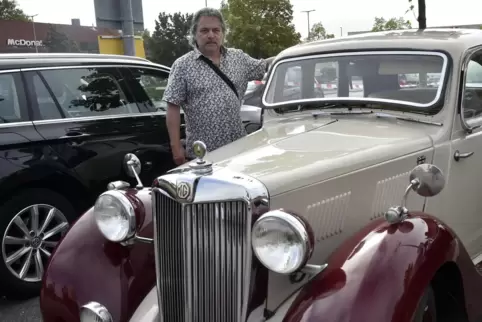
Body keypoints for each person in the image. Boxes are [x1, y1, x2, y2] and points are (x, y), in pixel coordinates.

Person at [162, 7, 267, 165]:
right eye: (204, 30)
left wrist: (286, 57)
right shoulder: (182, 66)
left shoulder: (238, 58)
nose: (211, 35)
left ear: (222, 33)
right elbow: (172, 106)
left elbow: (265, 67)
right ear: (195, 34)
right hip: (203, 155)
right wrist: (176, 147)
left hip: (238, 151)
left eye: (216, 30)